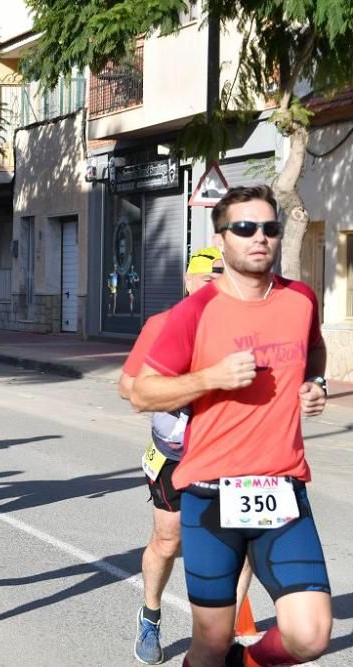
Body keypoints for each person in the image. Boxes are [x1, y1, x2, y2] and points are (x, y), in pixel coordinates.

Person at [131, 185, 331, 667]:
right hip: (208, 492)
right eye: (244, 228)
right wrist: (210, 378)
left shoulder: (301, 299)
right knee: (211, 643)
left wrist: (315, 381)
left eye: (269, 228)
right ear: (222, 239)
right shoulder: (191, 312)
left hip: (280, 489)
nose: (259, 237)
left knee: (310, 635)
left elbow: (315, 348)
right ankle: (163, 622)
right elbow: (140, 391)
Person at [119, 246, 253, 664]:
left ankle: (223, 630)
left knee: (242, 541)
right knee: (168, 538)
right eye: (205, 276)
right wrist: (184, 387)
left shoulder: (243, 326)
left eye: (221, 276)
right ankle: (151, 615)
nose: (213, 283)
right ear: (189, 282)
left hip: (233, 451)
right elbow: (128, 387)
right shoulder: (163, 324)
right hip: (174, 452)